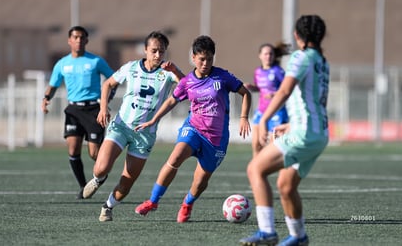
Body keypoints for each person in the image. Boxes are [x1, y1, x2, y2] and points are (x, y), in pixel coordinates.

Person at [134, 35, 252, 223]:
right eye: (202, 59)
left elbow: (245, 93)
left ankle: (187, 203)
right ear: (194, 57)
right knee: (175, 157)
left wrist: (244, 117)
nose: (206, 63)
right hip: (193, 129)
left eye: (210, 59)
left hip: (216, 138)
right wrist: (153, 120)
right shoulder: (188, 81)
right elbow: (172, 100)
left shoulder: (222, 76)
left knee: (200, 182)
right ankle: (153, 201)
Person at [240, 15, 329, 246]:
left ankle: (267, 232)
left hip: (304, 134)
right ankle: (299, 237)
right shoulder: (322, 61)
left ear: (297, 36)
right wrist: (291, 124)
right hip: (319, 134)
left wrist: (264, 120)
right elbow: (317, 100)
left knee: (255, 169)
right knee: (286, 186)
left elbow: (284, 91)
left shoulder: (300, 57)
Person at [82, 31, 185, 222]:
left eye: (161, 51)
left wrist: (177, 72)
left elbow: (189, 87)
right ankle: (98, 179)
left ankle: (108, 206)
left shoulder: (168, 72)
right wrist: (103, 108)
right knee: (101, 168)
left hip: (145, 135)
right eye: (154, 50)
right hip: (122, 126)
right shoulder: (131, 68)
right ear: (145, 50)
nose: (157, 55)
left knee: (127, 182)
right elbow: (108, 84)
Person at [41, 26, 114, 199]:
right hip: (73, 109)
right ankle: (84, 187)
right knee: (73, 150)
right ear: (69, 40)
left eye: (82, 37)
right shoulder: (62, 64)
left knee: (94, 154)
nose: (79, 40)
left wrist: (106, 101)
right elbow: (53, 84)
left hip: (93, 110)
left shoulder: (96, 61)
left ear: (87, 41)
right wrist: (46, 98)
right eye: (75, 37)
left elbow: (113, 80)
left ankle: (102, 173)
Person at [244, 42, 290, 157]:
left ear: (274, 56)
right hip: (261, 110)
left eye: (270, 54)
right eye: (265, 54)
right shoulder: (258, 72)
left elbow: (287, 89)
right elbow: (260, 89)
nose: (268, 56)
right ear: (260, 56)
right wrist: (251, 87)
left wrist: (275, 94)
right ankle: (255, 169)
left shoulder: (278, 71)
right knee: (256, 144)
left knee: (274, 146)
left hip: (277, 111)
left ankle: (278, 170)